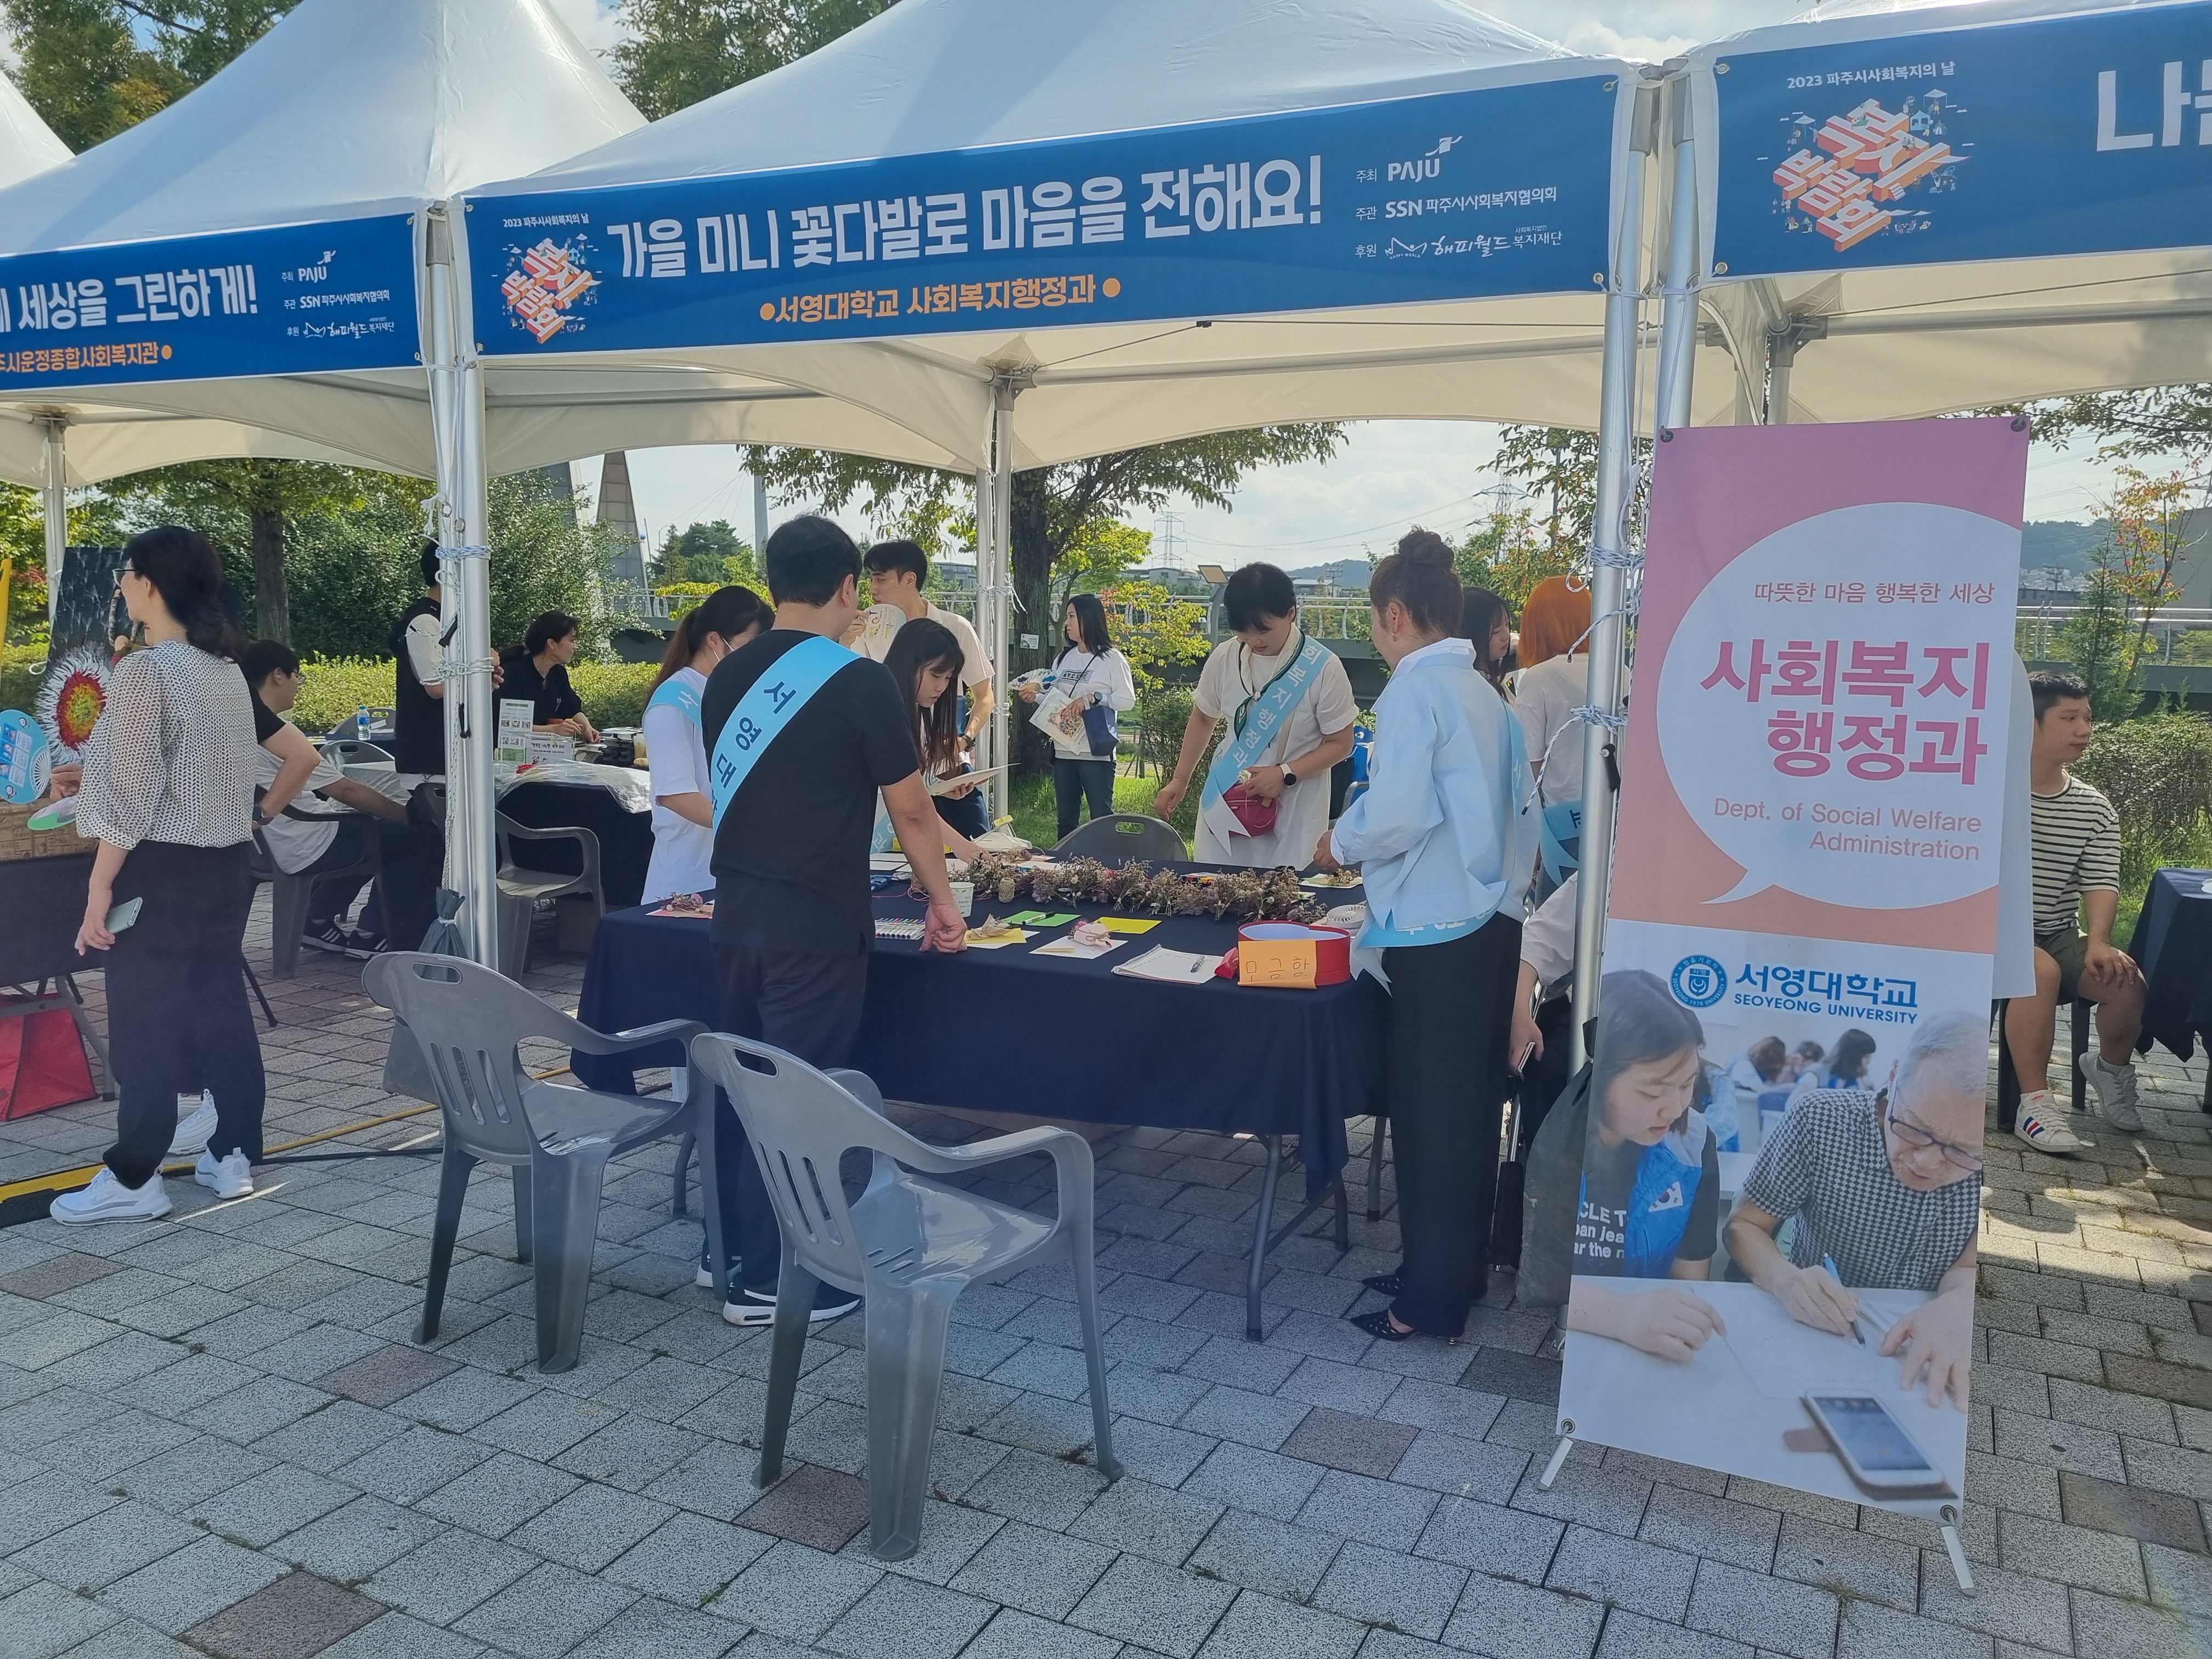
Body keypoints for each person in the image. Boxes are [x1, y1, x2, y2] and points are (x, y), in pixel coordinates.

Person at [699, 516, 966, 1327]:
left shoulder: (726, 675)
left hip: (735, 915)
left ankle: (727, 1250)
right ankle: (772, 1283)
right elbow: (913, 811)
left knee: (744, 1086)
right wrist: (945, 902)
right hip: (815, 925)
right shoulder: (859, 682)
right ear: (850, 588)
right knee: (800, 1100)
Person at [1312, 528, 1537, 1342]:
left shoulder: (1414, 692)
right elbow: (1523, 817)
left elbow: (1400, 812)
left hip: (1436, 929)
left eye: (1375, 621)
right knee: (1468, 1109)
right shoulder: (1487, 694)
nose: (1377, 635)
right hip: (1491, 922)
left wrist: (1340, 840)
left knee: (1430, 1113)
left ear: (1396, 616)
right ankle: (1449, 1274)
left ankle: (1427, 1302)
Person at [49, 528, 266, 1222]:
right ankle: (232, 1153)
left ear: (148, 584)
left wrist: (97, 888)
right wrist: (95, 781)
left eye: (126, 573)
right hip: (227, 864)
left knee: (145, 1020)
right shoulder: (223, 668)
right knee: (220, 1007)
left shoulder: (148, 671)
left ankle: (135, 1175)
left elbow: (133, 797)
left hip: (162, 870)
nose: (120, 584)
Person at [1724, 1008, 1987, 1411]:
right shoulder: (1822, 1120)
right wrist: (1785, 1280)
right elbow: (1744, 1225)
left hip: (1931, 1351)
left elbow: (1967, 1267)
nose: (1928, 1162)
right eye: (1914, 1128)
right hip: (1814, 1337)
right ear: (1892, 1078)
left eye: (1964, 1152)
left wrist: (1960, 1304)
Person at [2008, 669, 2146, 1153]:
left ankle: (2110, 1070)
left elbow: (2101, 880)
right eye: (2069, 718)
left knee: (2125, 981)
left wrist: (2100, 941)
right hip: (1986, 931)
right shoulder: (1987, 792)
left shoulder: (2094, 807)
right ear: (2029, 722)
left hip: (2054, 930)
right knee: (2038, 972)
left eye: (2087, 718)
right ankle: (2035, 1106)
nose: (2084, 730)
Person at [1560, 970, 1728, 1363]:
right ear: (1600, 1077)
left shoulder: (1693, 1143)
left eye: (1687, 1085)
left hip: (1647, 1353)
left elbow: (1690, 1279)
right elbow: (1531, 1277)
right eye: (1653, 1091)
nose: (1674, 1109)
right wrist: (1620, 1315)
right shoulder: (1557, 1134)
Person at [242, 641, 441, 958]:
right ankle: (373, 934)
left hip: (266, 848)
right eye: (297, 676)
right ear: (278, 675)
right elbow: (347, 791)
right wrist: (412, 817)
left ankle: (315, 919)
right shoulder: (279, 734)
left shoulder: (236, 729)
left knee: (375, 832)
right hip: (307, 842)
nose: (298, 686)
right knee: (418, 840)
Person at [1153, 563, 1357, 868]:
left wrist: (1285, 774)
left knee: (1284, 891)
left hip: (1294, 809)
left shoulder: (1323, 667)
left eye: (1263, 630)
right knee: (1216, 887)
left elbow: (1341, 743)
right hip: (1227, 802)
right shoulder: (1225, 656)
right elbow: (1203, 717)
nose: (1254, 640)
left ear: (1291, 613)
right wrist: (1180, 779)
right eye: (1242, 632)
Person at [640, 585, 768, 907]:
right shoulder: (672, 702)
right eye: (751, 645)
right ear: (715, 640)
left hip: (736, 870)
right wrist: (753, 825)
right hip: (688, 877)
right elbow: (675, 794)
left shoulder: (732, 692)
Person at [865, 539, 995, 842]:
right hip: (899, 774)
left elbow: (985, 697)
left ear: (910, 579)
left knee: (979, 844)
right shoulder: (868, 633)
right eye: (870, 580)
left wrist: (964, 740)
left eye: (880, 579)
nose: (872, 589)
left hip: (947, 769)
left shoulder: (955, 628)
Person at [1018, 592, 1135, 842]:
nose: (1067, 623)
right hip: (1064, 752)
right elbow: (1056, 700)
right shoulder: (1064, 658)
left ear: (1088, 618)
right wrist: (1035, 698)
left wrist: (1094, 698)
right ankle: (1066, 863)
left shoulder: (1112, 659)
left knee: (1101, 818)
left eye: (1072, 616)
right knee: (1066, 820)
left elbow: (1127, 700)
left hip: (1096, 753)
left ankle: (1105, 864)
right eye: (1067, 617)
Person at [878, 619, 988, 862]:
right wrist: (962, 845)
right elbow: (908, 803)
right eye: (936, 675)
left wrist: (943, 790)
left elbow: (910, 790)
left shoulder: (916, 711)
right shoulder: (883, 713)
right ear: (908, 665)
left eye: (949, 678)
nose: (942, 687)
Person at [500, 611, 598, 741]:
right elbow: (509, 725)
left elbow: (572, 708)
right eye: (572, 641)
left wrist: (587, 728)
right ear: (552, 643)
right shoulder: (511, 673)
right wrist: (553, 730)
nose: (576, 647)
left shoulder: (558, 673)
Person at [1787, 1027, 1876, 1102]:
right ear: (1853, 1056)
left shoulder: (1860, 1082)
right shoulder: (1815, 1076)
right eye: (1866, 1057)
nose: (1868, 1062)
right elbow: (1792, 1106)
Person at [1457, 585, 1515, 694]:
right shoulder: (1469, 689)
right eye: (1496, 631)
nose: (1507, 636)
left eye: (1507, 624)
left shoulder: (1491, 681)